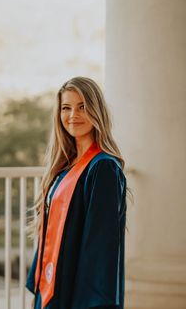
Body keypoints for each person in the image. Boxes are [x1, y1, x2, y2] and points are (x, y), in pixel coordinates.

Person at [26, 76, 127, 309]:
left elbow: (101, 250)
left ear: (96, 110)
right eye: (66, 108)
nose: (73, 115)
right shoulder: (66, 167)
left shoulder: (102, 168)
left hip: (78, 295)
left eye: (82, 107)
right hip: (54, 286)